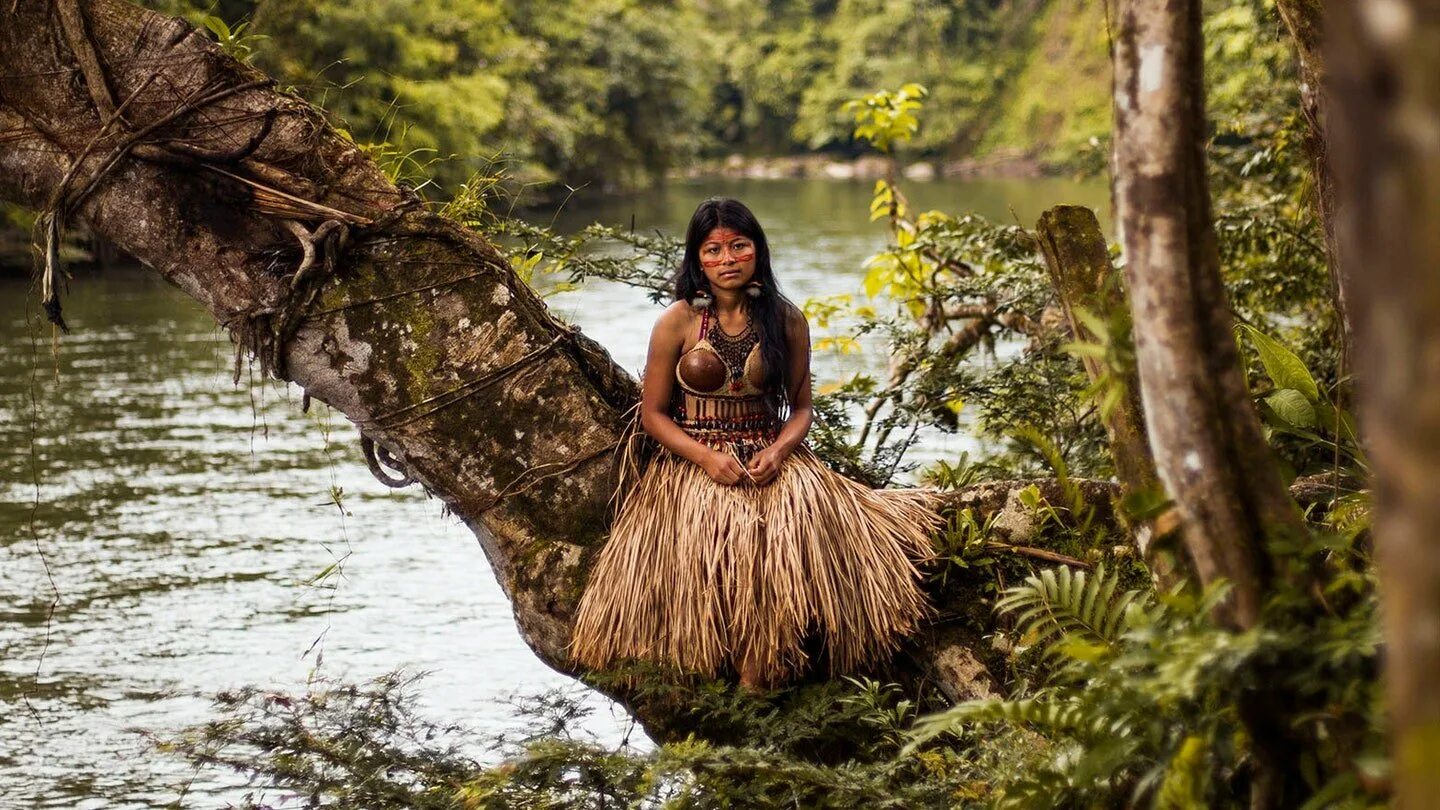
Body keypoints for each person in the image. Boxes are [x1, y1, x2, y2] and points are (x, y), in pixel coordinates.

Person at [569, 197, 941, 690]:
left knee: (776, 549)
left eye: (738, 246)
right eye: (714, 250)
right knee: (721, 554)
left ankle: (766, 669)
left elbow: (802, 409)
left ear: (757, 251)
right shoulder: (677, 322)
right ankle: (717, 662)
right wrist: (704, 457)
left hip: (772, 458)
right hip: (694, 468)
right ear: (697, 259)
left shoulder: (787, 320)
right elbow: (653, 415)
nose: (727, 260)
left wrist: (780, 450)